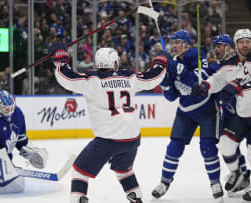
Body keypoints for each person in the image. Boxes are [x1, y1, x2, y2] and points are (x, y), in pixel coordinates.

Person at [51, 42, 166, 203]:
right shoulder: (129, 76)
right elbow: (151, 78)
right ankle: (136, 197)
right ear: (114, 63)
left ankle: (77, 199)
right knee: (123, 170)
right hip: (132, 138)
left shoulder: (92, 80)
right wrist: (161, 62)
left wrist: (60, 59)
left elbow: (66, 78)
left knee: (79, 171)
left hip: (108, 139)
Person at [192, 29, 251, 201]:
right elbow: (217, 80)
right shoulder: (230, 64)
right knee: (225, 144)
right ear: (236, 45)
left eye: (248, 41)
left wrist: (237, 87)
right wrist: (205, 87)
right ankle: (237, 173)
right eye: (241, 41)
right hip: (243, 114)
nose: (245, 45)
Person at [151, 30, 224, 202]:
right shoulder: (173, 62)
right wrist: (165, 83)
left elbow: (200, 81)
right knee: (173, 148)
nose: (174, 45)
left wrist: (177, 69)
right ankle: (164, 182)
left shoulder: (196, 54)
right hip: (185, 112)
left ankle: (215, 183)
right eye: (173, 42)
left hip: (207, 111)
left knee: (208, 149)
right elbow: (172, 97)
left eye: (177, 42)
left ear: (186, 44)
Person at [210, 34, 251, 196]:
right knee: (229, 146)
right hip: (228, 112)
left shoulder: (238, 62)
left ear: (229, 47)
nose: (217, 49)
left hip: (244, 112)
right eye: (215, 46)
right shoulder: (220, 65)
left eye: (220, 45)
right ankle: (240, 174)